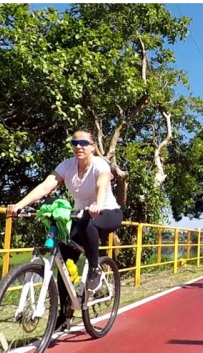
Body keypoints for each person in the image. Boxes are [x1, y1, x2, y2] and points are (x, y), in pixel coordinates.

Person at [7, 129, 123, 329]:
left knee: (88, 223)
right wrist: (19, 205)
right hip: (80, 215)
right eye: (74, 143)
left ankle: (94, 269)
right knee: (62, 257)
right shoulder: (67, 166)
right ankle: (64, 313)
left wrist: (96, 204)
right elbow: (45, 187)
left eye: (84, 143)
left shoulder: (100, 164)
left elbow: (101, 184)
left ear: (93, 146)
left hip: (107, 212)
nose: (79, 146)